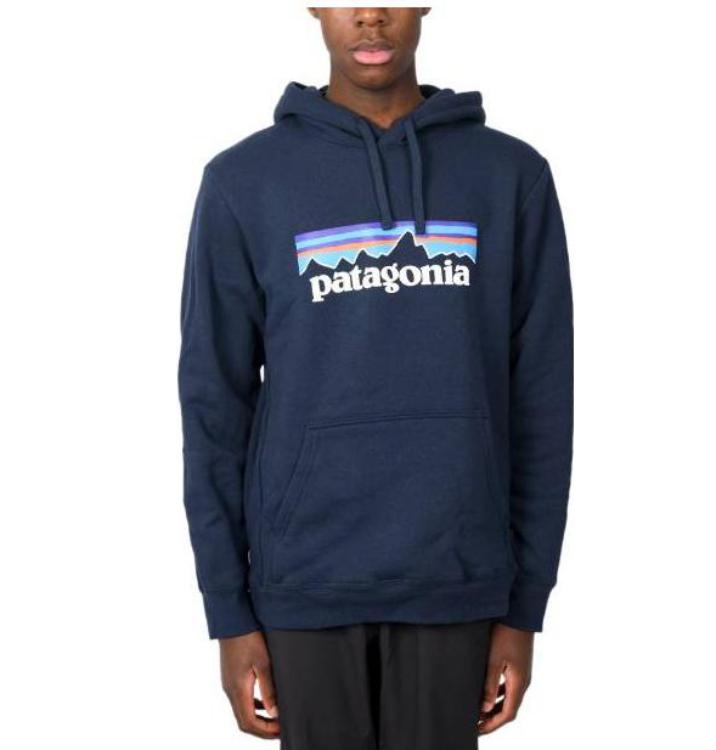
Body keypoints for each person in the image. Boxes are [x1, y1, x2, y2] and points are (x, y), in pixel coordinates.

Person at [178, 7, 573, 749]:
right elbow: (212, 409)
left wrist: (524, 608)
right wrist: (228, 613)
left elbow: (543, 404)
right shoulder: (243, 182)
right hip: (303, 582)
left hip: (457, 575)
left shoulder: (510, 176)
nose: (370, 15)